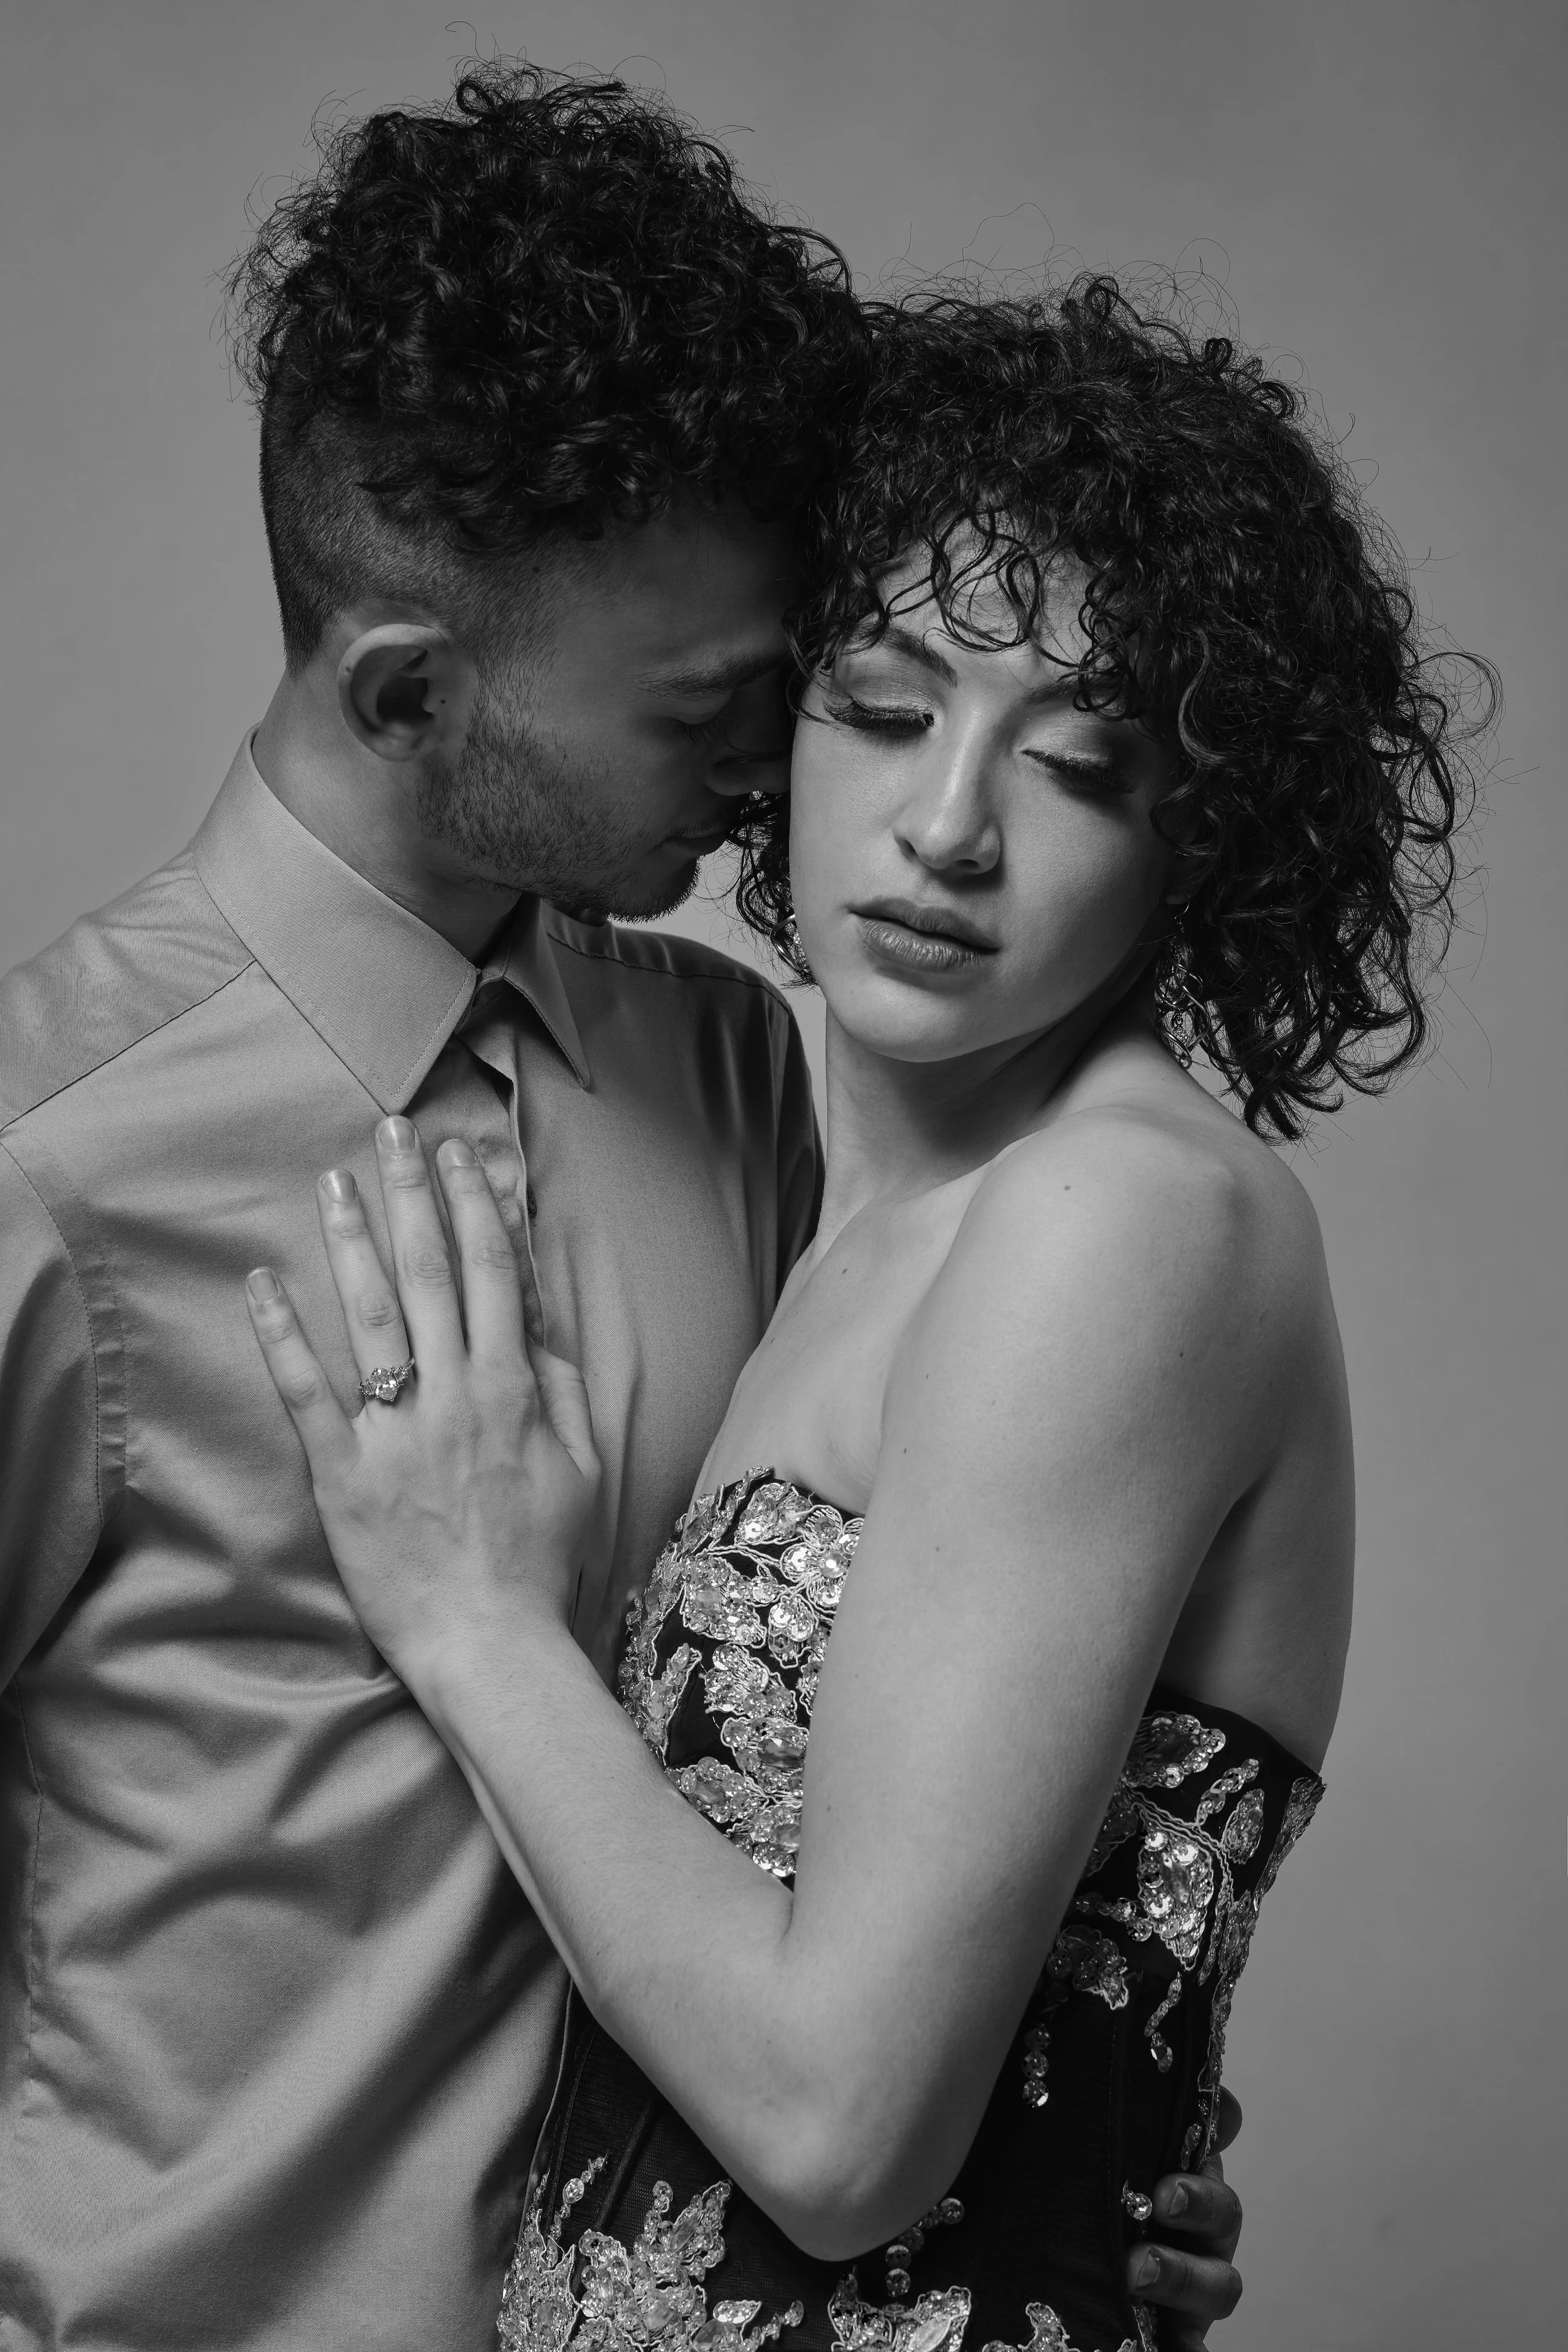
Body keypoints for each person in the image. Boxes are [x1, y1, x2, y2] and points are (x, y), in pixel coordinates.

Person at [0, 68, 1240, 2350]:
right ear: (410, 690)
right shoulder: (50, 1164)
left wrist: (1059, 2159)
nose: (776, 776)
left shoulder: (749, 1076)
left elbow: (854, 1779)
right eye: (710, 709)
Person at [248, 282, 1485, 2352]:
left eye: (1078, 761)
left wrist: (468, 1614)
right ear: (778, 724)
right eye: (887, 709)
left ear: (1204, 829)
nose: (946, 827)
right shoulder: (807, 1189)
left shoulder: (1118, 1218)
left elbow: (840, 2131)